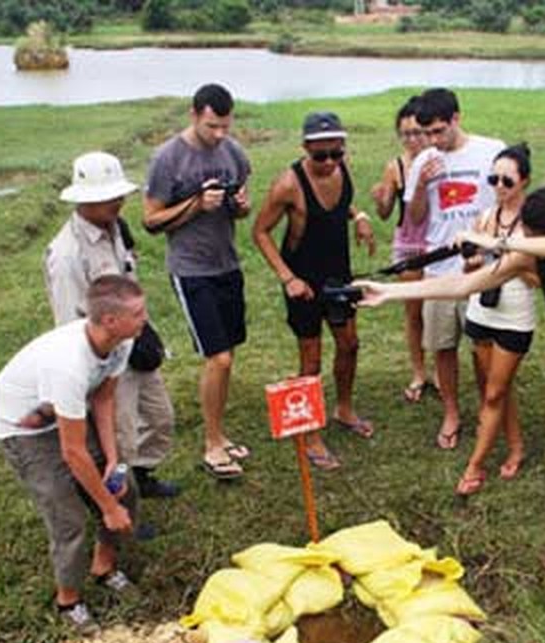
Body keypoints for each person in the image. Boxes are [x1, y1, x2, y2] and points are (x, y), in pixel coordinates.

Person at [357, 179, 545, 579]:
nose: (523, 235)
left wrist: (495, 243)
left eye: (531, 232)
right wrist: (388, 292)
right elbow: (466, 284)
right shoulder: (528, 257)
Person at [0, 275, 148, 634]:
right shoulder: (68, 365)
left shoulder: (121, 343)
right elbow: (72, 452)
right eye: (138, 313)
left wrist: (111, 460)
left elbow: (104, 399)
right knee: (69, 515)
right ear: (110, 320)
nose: (145, 319)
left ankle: (104, 567)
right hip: (23, 429)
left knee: (127, 488)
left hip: (66, 413)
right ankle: (68, 601)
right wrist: (107, 507)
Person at [44, 151, 179, 501]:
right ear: (84, 201)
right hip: (104, 355)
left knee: (160, 417)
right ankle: (122, 504)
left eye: (118, 195)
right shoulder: (67, 255)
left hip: (132, 344)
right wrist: (96, 373)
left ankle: (142, 475)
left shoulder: (115, 228)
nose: (116, 203)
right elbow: (67, 324)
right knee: (118, 437)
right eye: (106, 198)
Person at [251, 111, 377, 470]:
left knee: (350, 344)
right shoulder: (288, 185)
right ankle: (310, 435)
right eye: (320, 155)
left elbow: (343, 203)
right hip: (303, 282)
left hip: (338, 276)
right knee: (311, 360)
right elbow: (259, 232)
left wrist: (360, 217)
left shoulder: (342, 167)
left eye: (335, 153)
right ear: (305, 148)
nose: (328, 162)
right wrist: (287, 278)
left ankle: (344, 408)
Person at [142, 83, 252, 480]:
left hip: (227, 263)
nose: (219, 134)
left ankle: (220, 434)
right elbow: (151, 220)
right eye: (211, 126)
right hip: (191, 269)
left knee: (228, 355)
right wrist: (194, 205)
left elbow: (243, 203)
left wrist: (240, 206)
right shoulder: (168, 159)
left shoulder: (234, 153)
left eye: (225, 125)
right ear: (193, 115)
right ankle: (211, 445)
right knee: (217, 357)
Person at [403, 87, 505, 450]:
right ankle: (451, 413)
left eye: (438, 131)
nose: (432, 140)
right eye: (425, 133)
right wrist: (422, 186)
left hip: (482, 267)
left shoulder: (492, 151)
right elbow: (414, 218)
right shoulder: (423, 161)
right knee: (442, 346)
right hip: (439, 269)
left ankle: (486, 409)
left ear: (456, 119)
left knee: (483, 346)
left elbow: (510, 204)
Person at [455, 143, 537, 496]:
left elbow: (538, 279)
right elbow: (469, 267)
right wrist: (475, 262)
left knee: (494, 392)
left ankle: (474, 467)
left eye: (507, 180)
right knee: (496, 387)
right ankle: (516, 445)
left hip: (515, 314)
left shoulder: (534, 225)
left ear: (524, 182)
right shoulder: (486, 218)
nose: (500, 186)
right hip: (482, 308)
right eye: (493, 178)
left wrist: (507, 261)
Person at [371, 96, 435, 403]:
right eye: (406, 134)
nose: (412, 140)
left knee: (440, 310)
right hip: (409, 245)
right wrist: (381, 199)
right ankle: (419, 371)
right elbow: (384, 213)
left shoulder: (440, 160)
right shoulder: (395, 166)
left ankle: (439, 367)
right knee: (414, 312)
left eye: (417, 133)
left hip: (439, 244)